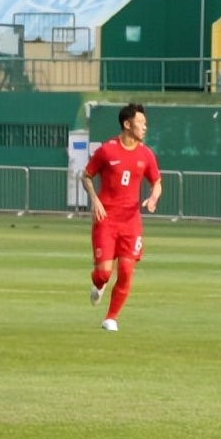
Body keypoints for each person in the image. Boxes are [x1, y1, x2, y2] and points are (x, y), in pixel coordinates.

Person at [80, 102, 162, 332]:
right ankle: (99, 284)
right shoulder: (107, 150)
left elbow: (156, 182)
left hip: (131, 222)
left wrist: (154, 197)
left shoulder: (146, 154)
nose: (145, 127)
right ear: (127, 124)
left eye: (145, 123)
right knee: (104, 273)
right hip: (106, 220)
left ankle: (111, 318)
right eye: (140, 123)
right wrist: (95, 200)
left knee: (126, 271)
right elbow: (86, 176)